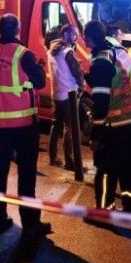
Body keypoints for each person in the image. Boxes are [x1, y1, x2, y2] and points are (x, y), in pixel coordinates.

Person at [0, 13, 50, 240]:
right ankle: (30, 223)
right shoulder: (23, 54)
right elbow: (40, 82)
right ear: (18, 29)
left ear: (0, 29)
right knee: (26, 173)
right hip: (23, 122)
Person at [83, 19, 131, 213]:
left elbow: (101, 103)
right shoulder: (117, 48)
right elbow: (118, 76)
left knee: (105, 168)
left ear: (87, 38)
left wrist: (96, 134)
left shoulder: (101, 61)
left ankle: (104, 210)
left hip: (116, 124)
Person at [47, 23, 84, 169]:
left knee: (55, 126)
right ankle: (70, 161)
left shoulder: (50, 50)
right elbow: (77, 71)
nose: (76, 37)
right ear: (66, 34)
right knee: (70, 127)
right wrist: (82, 85)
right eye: (73, 34)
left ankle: (53, 156)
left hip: (56, 93)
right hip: (69, 93)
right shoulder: (67, 51)